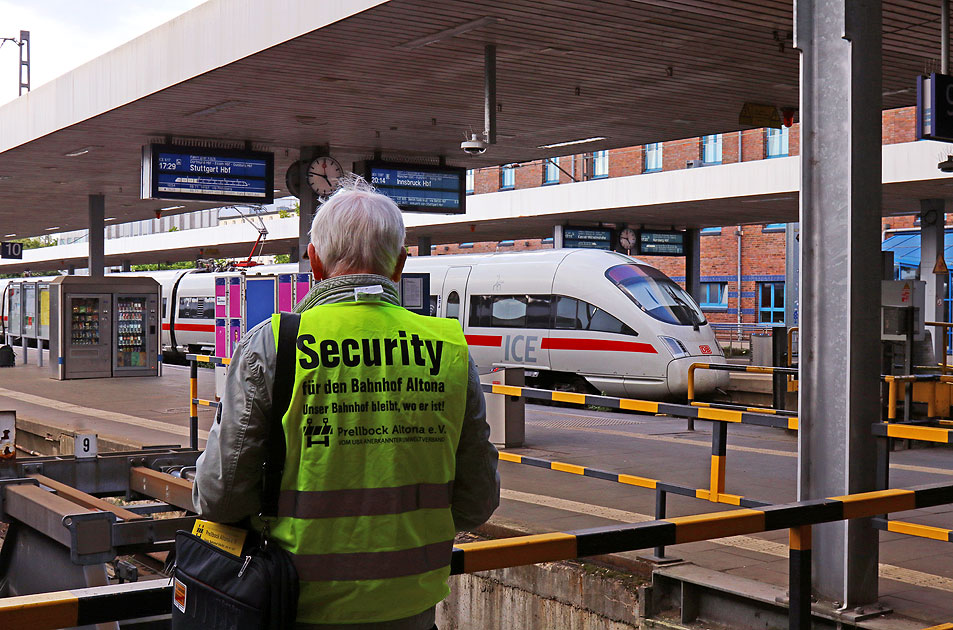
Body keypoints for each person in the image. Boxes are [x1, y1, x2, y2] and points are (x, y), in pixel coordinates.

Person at [193, 176, 500, 630]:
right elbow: (477, 500)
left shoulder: (274, 344)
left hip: (293, 606)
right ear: (400, 264)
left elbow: (219, 497)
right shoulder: (448, 348)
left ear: (314, 261)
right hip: (411, 610)